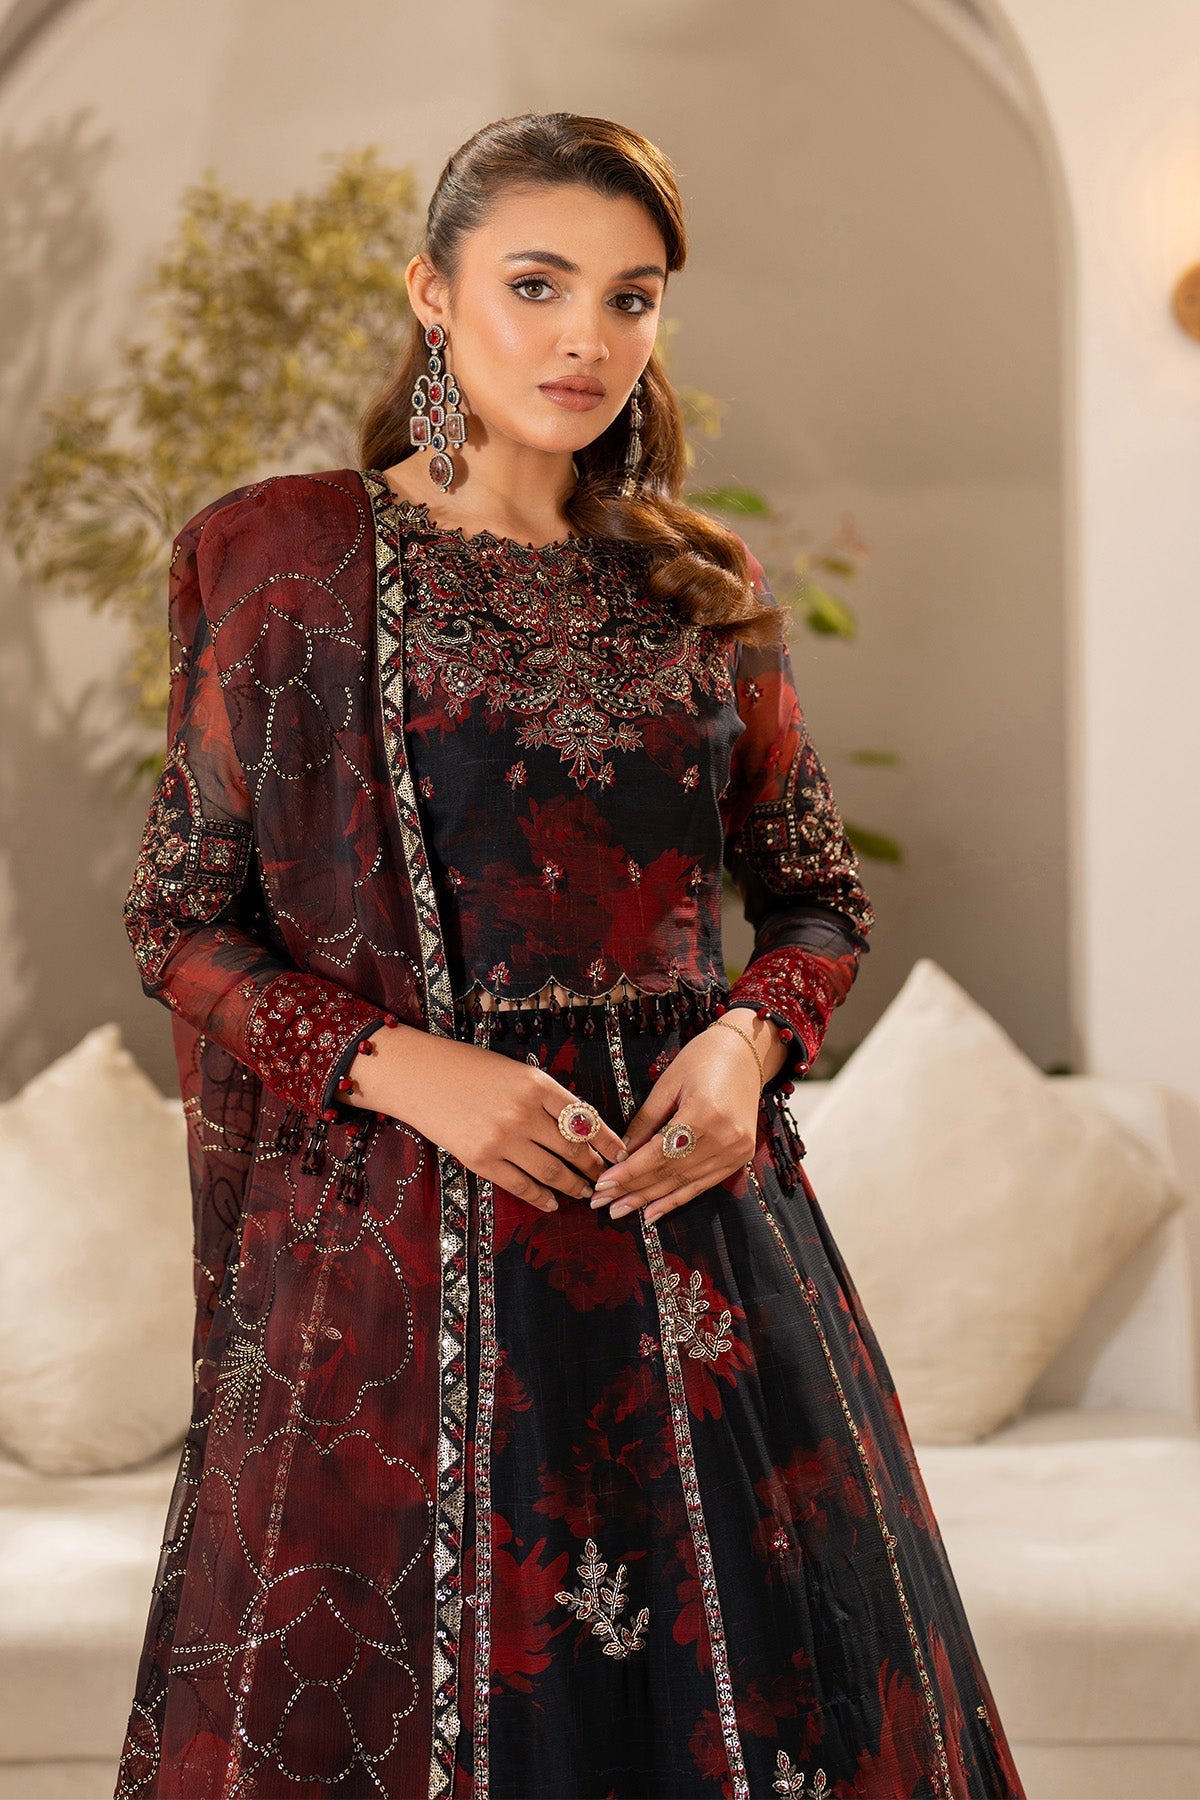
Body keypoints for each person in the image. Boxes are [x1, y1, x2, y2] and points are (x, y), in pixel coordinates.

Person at [115, 112, 1026, 1800]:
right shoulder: (284, 560)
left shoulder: (699, 585)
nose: (586, 338)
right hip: (397, 1244)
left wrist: (748, 1048)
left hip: (700, 1242)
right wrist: (413, 1070)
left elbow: (813, 897)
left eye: (632, 297)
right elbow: (181, 921)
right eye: (536, 285)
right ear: (433, 294)